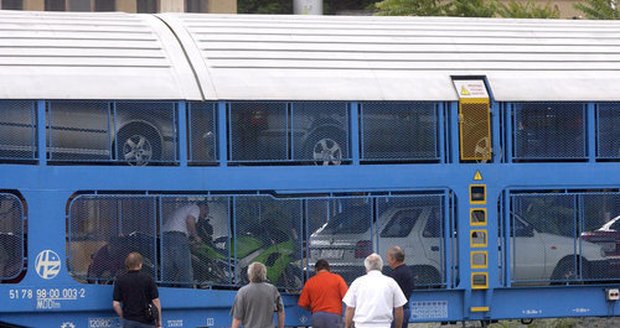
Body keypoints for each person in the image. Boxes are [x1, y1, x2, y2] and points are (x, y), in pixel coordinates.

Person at [342, 253, 407, 328]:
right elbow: (399, 308)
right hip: (384, 325)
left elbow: (350, 308)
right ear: (381, 267)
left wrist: (347, 326)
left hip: (362, 325)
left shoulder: (357, 282)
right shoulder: (391, 282)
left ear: (366, 268)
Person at [162, 201, 208, 284]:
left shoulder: (183, 208)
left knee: (168, 270)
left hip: (165, 237)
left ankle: (165, 290)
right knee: (185, 270)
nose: (206, 214)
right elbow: (190, 220)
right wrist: (196, 236)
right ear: (203, 207)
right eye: (206, 211)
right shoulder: (195, 208)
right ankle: (187, 293)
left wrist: (190, 243)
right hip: (177, 236)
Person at [113, 252, 161, 328]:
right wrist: (159, 322)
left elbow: (116, 304)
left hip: (129, 321)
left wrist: (123, 316)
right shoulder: (148, 279)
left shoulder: (120, 280)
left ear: (127, 264)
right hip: (147, 321)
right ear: (140, 264)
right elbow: (156, 301)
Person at [231, 262, 285, 328]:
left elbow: (237, 319)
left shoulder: (242, 292)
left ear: (249, 275)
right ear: (264, 274)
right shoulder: (273, 290)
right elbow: (281, 312)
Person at [298, 259, 348, 328]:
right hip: (334, 316)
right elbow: (347, 298)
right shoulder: (338, 279)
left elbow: (302, 304)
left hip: (317, 317)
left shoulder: (310, 282)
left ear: (316, 270)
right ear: (329, 269)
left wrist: (313, 308)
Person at [386, 246, 414, 328]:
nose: (387, 261)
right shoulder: (408, 271)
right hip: (406, 309)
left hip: (396, 312)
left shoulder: (394, 275)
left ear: (393, 259)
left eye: (388, 258)